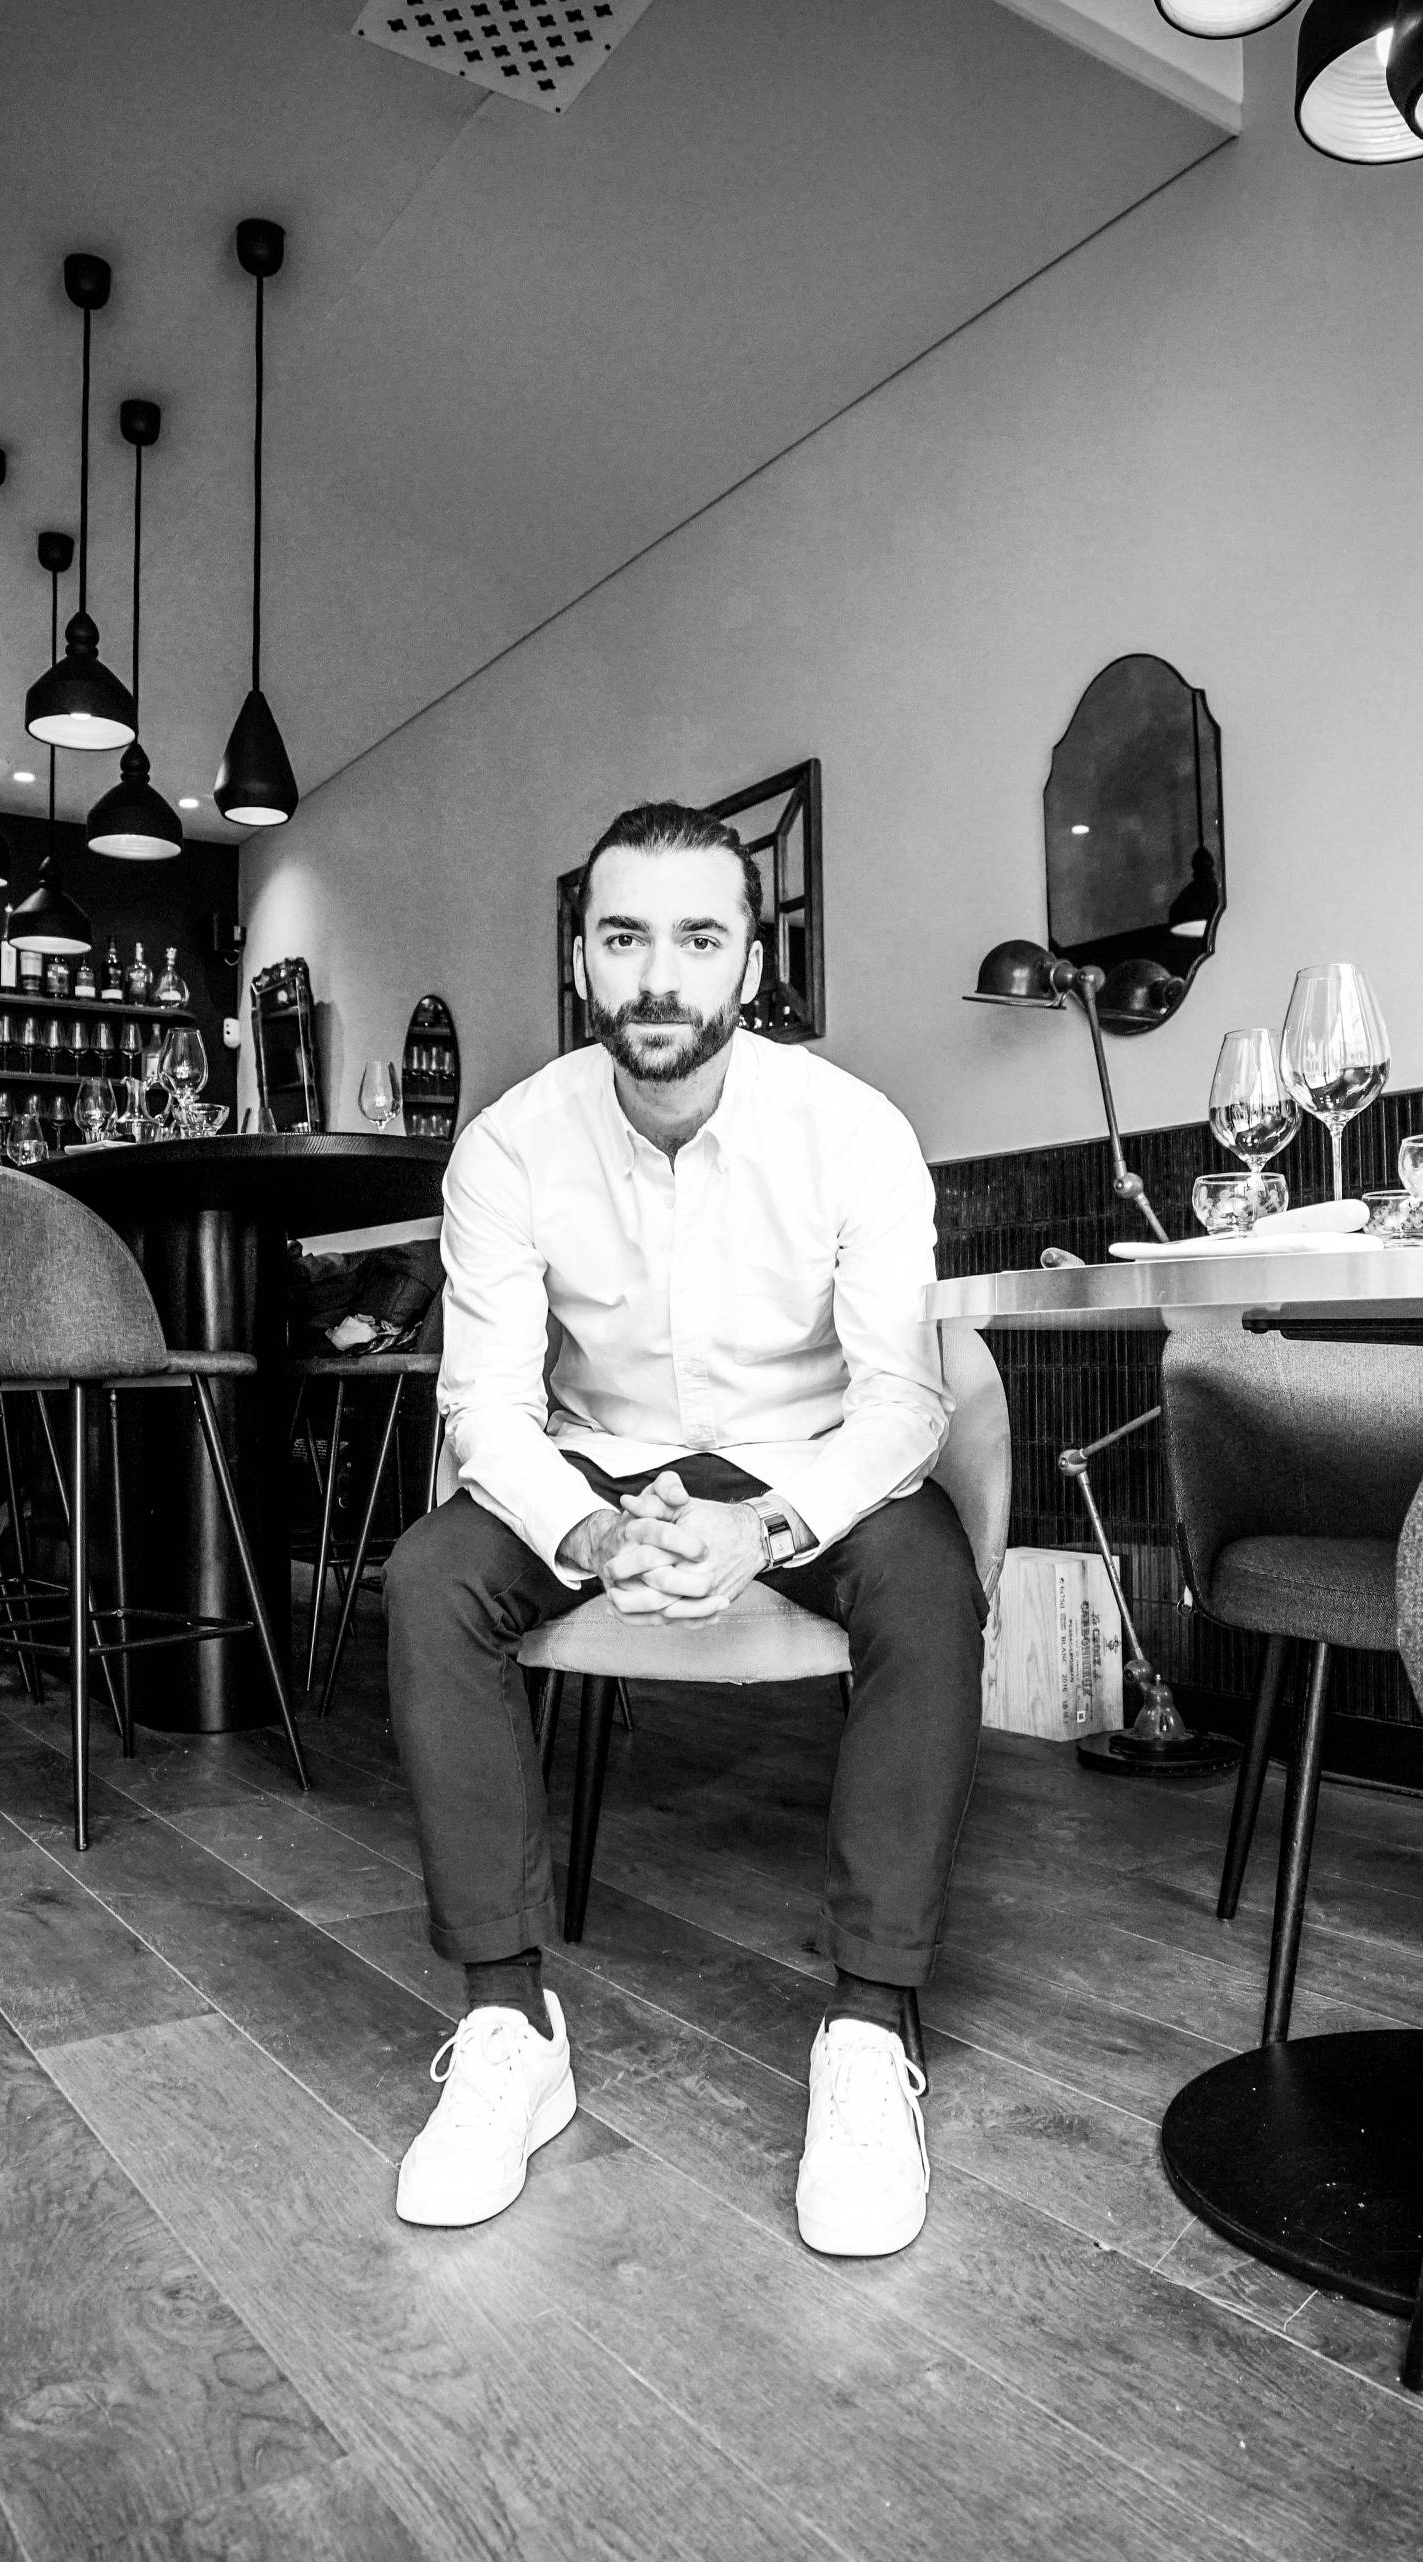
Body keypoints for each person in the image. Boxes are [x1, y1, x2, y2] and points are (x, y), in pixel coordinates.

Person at [384, 800, 983, 2255]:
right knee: (428, 1575)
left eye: (699, 938)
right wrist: (594, 1538)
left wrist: (763, 1528)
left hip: (804, 1462)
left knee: (928, 1575)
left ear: (751, 965)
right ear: (582, 958)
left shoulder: (855, 1132)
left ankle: (869, 2027)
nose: (660, 976)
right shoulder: (509, 1146)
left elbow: (906, 1402)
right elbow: (484, 1407)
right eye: (626, 937)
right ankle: (509, 2022)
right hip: (598, 1465)